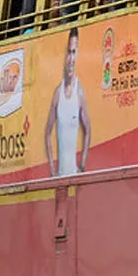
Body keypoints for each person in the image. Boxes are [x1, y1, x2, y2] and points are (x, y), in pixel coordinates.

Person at [44, 28, 92, 177]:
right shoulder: (58, 93)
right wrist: (52, 169)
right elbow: (47, 132)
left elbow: (88, 129)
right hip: (60, 175)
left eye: (74, 53)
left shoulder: (80, 92)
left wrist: (82, 164)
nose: (71, 59)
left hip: (74, 174)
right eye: (69, 52)